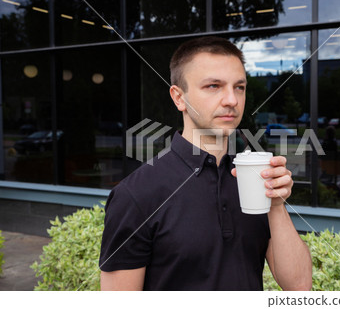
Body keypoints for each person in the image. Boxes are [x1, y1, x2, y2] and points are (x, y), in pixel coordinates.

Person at [99, 36, 312, 291]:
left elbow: (299, 287)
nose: (232, 100)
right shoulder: (135, 195)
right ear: (179, 98)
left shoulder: (254, 180)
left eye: (239, 87)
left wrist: (276, 206)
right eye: (213, 86)